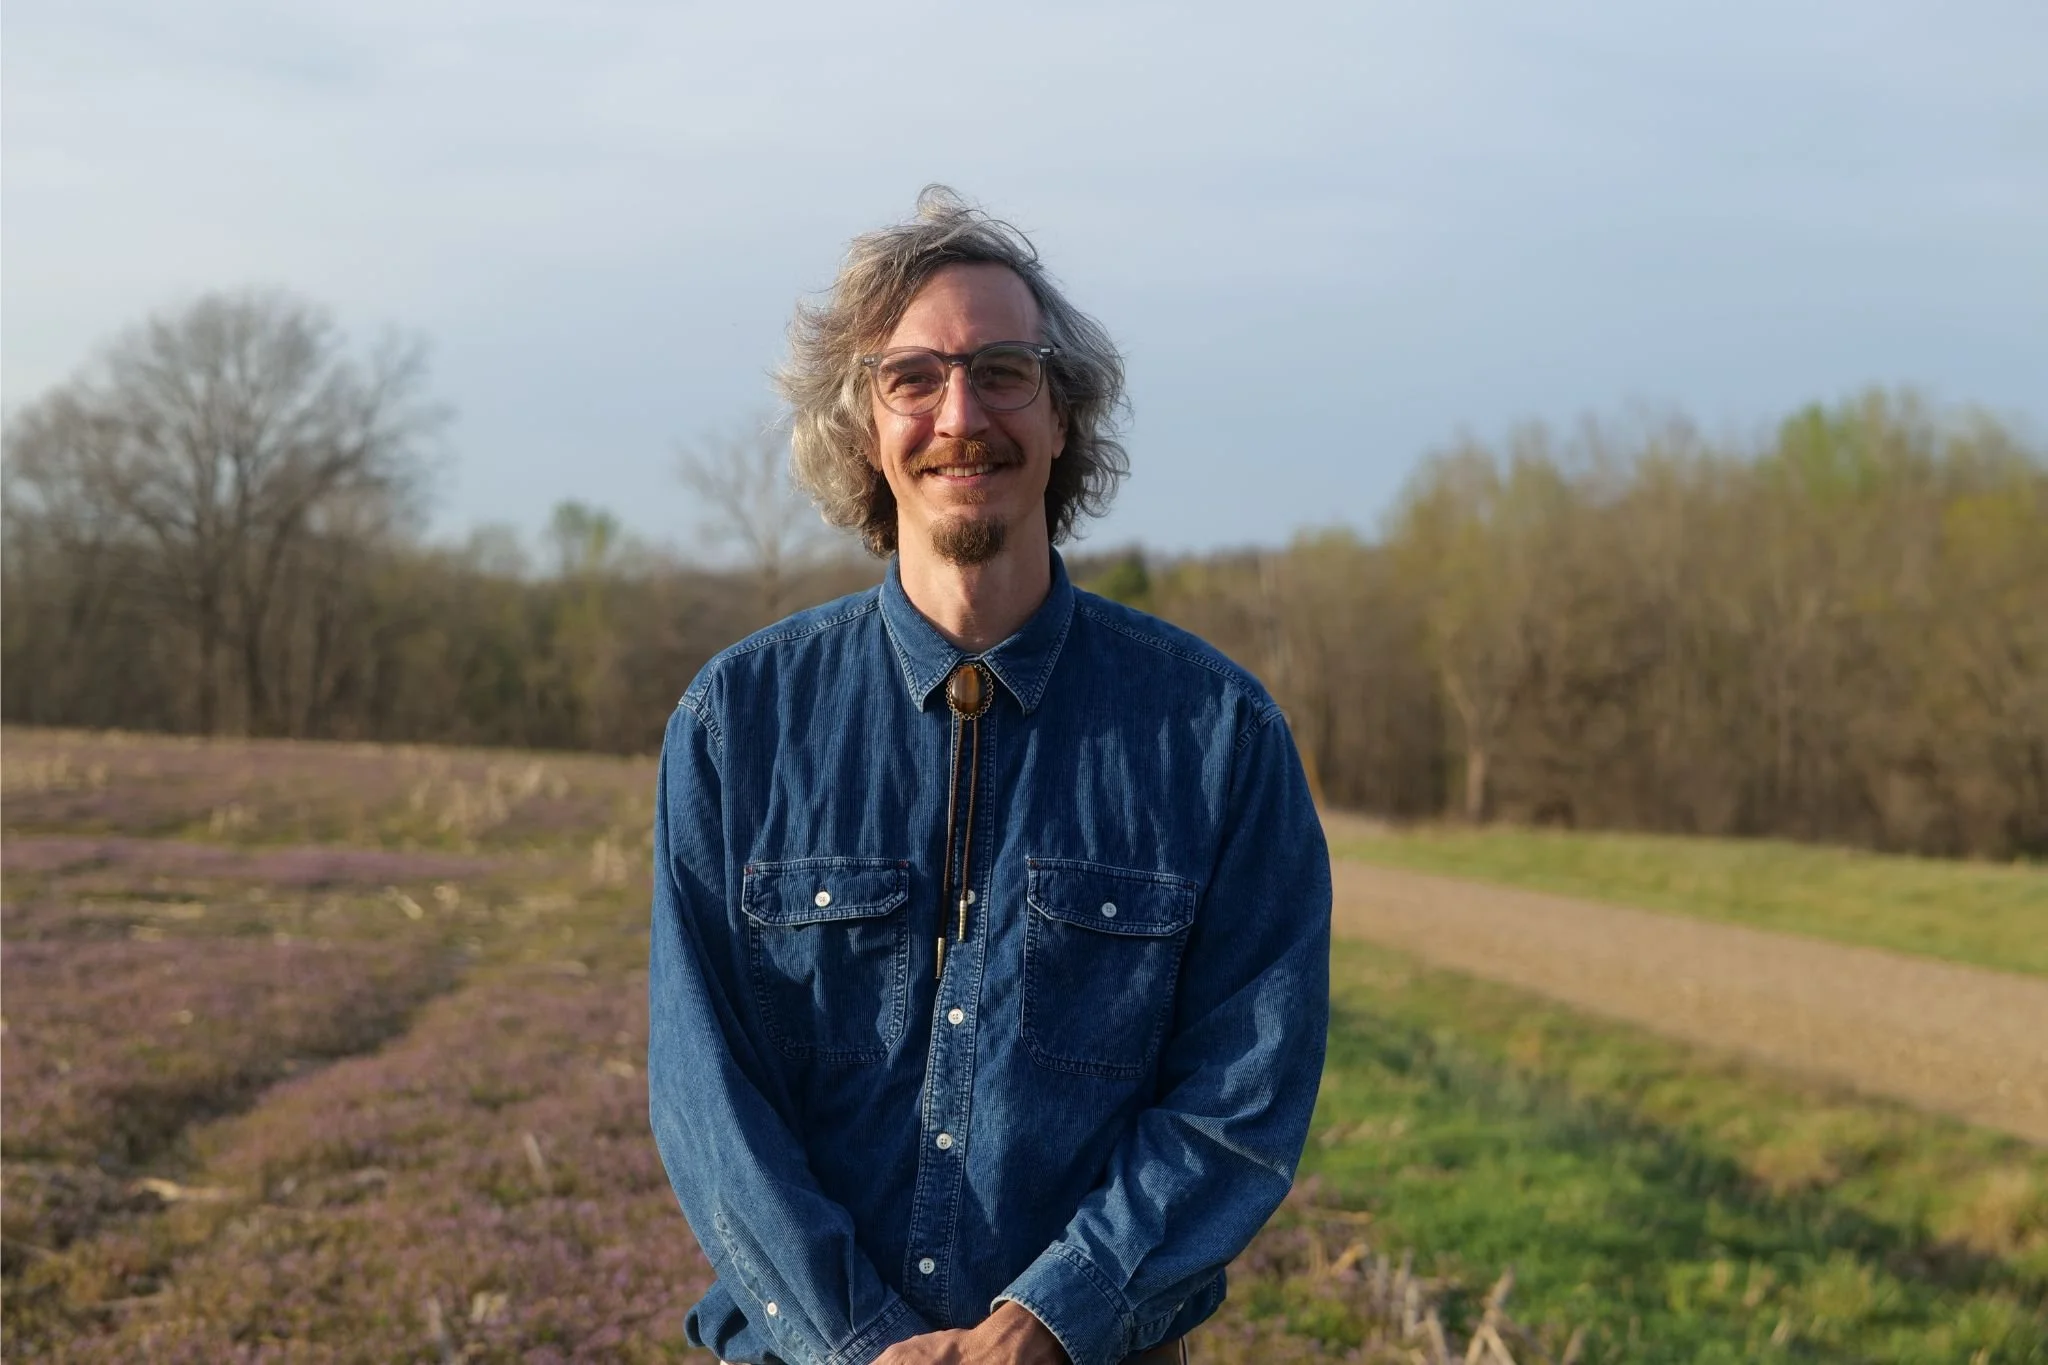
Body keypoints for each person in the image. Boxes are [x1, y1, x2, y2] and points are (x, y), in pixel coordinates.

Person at [648, 186, 1331, 1365]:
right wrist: (859, 1342)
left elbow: (1242, 1093)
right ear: (864, 427)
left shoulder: (1215, 735)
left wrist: (1042, 1325)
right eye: (912, 378)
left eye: (1003, 370)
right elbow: (705, 1095)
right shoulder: (736, 725)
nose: (961, 413)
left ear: (1063, 416)